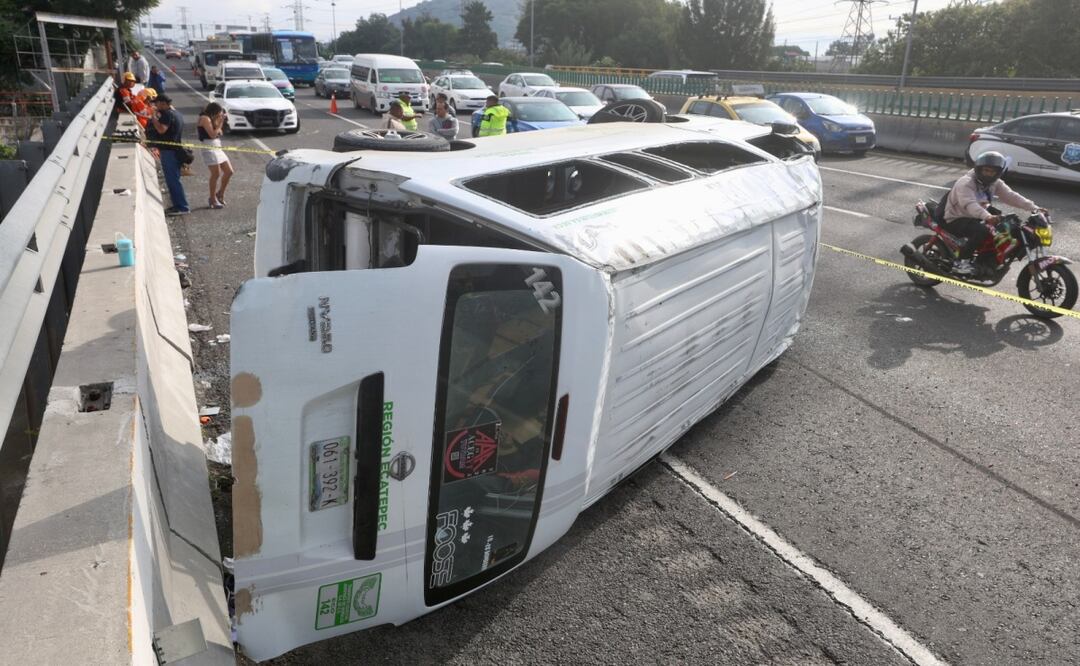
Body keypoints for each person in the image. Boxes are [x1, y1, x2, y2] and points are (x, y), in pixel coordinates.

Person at [943, 151, 1046, 275]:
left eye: (992, 171)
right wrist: (987, 216)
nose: (989, 174)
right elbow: (969, 204)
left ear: (998, 172)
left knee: (1004, 230)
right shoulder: (966, 182)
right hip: (956, 216)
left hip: (976, 215)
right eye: (986, 170)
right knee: (981, 231)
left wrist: (1034, 208)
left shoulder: (995, 183)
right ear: (979, 169)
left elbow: (1011, 196)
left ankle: (985, 262)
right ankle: (961, 262)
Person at [148, 94, 189, 215]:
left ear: (164, 103)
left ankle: (182, 207)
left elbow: (162, 129)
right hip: (176, 149)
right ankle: (179, 205)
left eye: (157, 103)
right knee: (174, 179)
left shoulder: (166, 114)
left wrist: (154, 117)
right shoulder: (176, 114)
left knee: (172, 180)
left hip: (168, 151)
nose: (155, 106)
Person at [197, 102, 234, 210]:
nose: (220, 115)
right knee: (216, 173)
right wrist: (220, 122)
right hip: (209, 147)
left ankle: (220, 194)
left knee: (229, 171)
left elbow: (219, 132)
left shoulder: (212, 119)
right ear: (214, 111)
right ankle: (212, 199)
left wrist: (219, 123)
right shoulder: (204, 118)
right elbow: (213, 134)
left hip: (217, 146)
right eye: (219, 113)